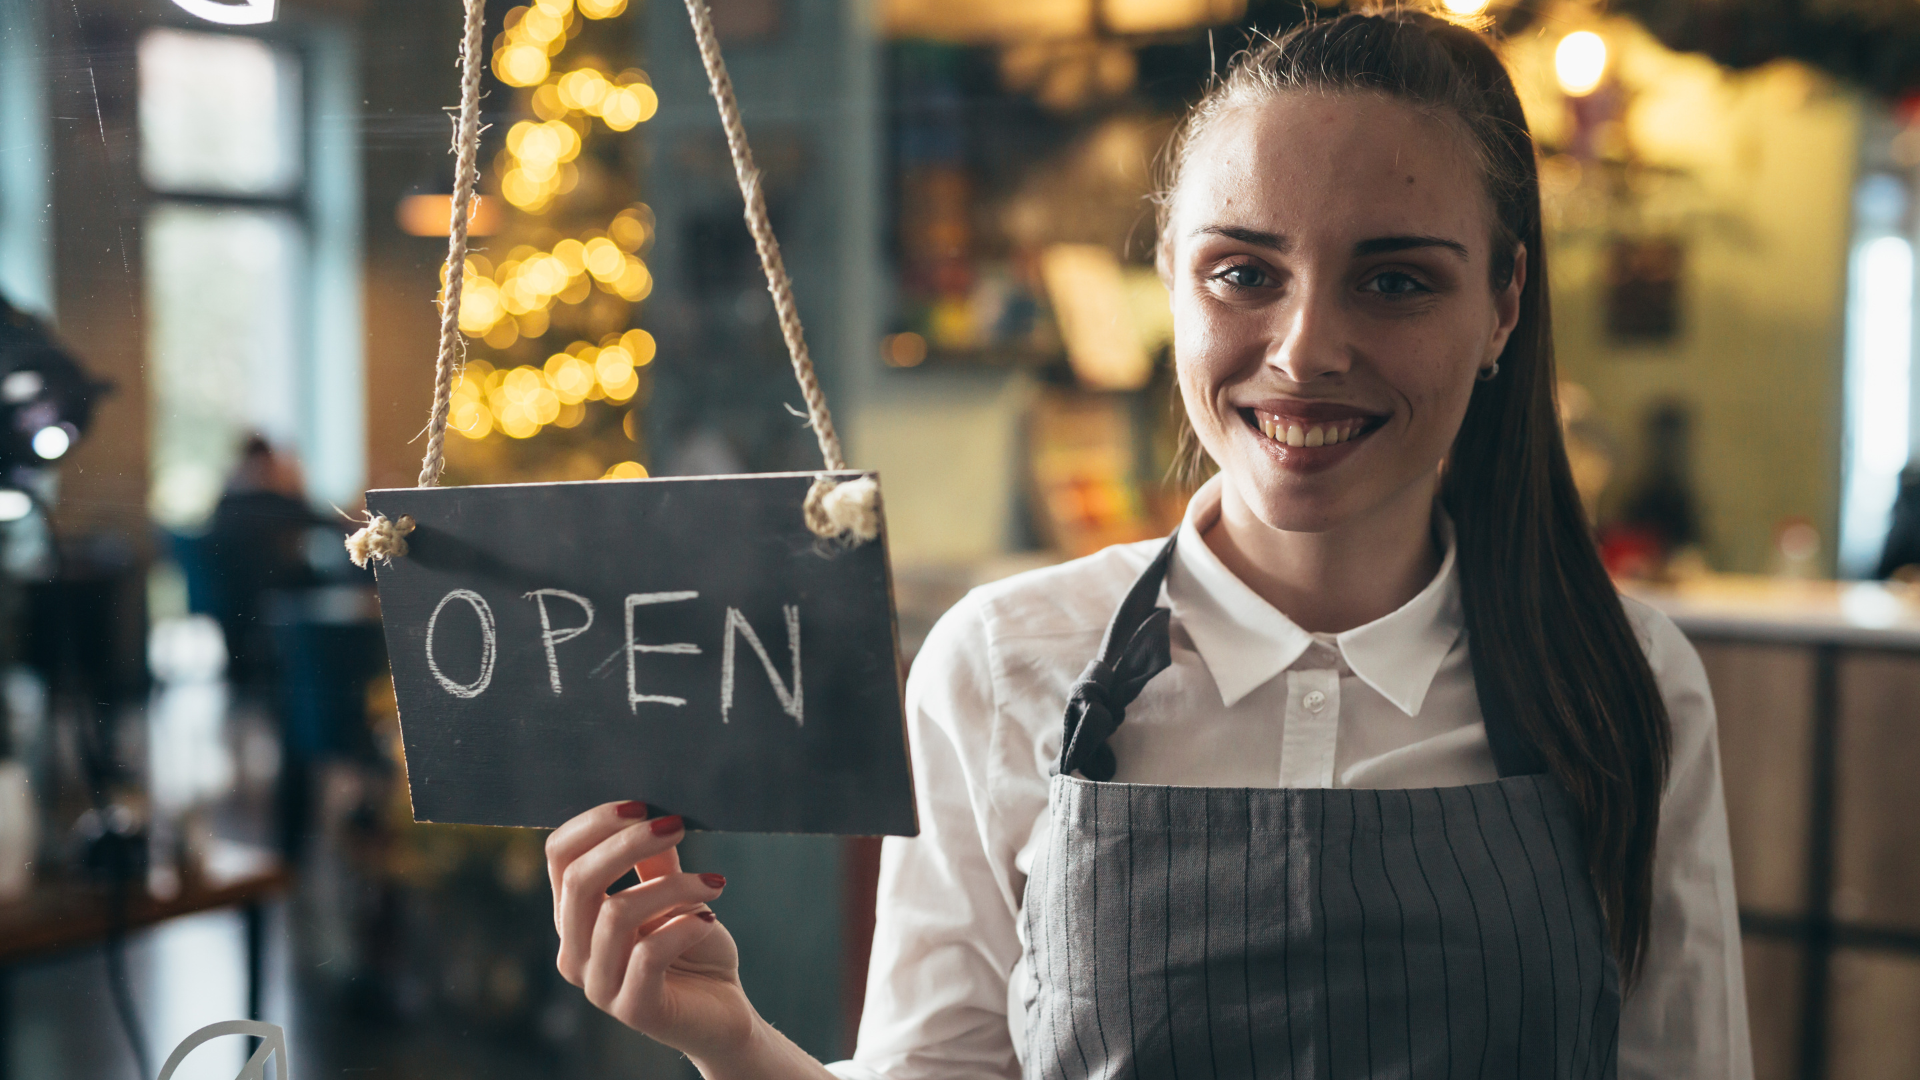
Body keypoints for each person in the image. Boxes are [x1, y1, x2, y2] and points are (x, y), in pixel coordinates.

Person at [543, 11, 1751, 1079]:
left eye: (1394, 282)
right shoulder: (999, 663)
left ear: (1502, 305)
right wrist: (730, 1041)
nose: (1304, 348)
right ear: (1170, 280)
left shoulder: (1622, 677)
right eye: (1243, 273)